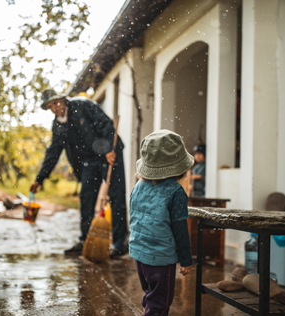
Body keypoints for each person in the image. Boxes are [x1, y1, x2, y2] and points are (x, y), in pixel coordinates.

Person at [30, 89, 128, 258]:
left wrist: (110, 150)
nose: (54, 108)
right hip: (89, 161)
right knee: (86, 198)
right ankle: (85, 239)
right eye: (49, 106)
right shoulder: (58, 125)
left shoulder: (83, 105)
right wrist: (40, 179)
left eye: (55, 103)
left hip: (108, 154)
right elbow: (53, 152)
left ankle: (120, 243)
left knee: (116, 196)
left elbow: (105, 125)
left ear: (62, 99)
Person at [129, 129, 194, 316]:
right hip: (160, 258)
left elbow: (135, 218)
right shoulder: (176, 192)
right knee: (160, 305)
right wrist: (186, 259)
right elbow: (180, 229)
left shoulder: (138, 187)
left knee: (151, 293)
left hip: (139, 255)